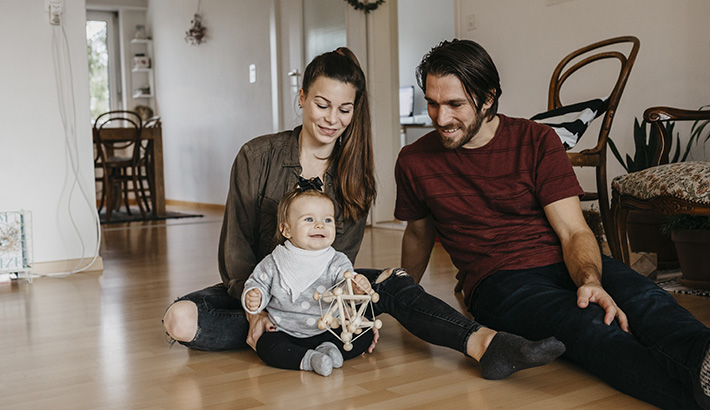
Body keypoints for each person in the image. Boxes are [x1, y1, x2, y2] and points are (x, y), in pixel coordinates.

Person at [163, 46, 565, 381]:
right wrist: (258, 311)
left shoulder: (357, 176)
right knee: (180, 320)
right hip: (261, 291)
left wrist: (351, 310)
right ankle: (287, 334)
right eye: (321, 104)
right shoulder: (256, 156)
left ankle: (485, 344)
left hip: (324, 297)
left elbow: (342, 264)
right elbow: (235, 254)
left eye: (344, 109)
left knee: (393, 282)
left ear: (355, 111)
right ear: (302, 98)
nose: (331, 119)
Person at [394, 38, 710, 409]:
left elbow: (573, 230)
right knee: (586, 326)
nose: (440, 118)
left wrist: (590, 281)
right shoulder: (414, 161)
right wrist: (406, 299)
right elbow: (418, 233)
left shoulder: (535, 139)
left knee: (648, 300)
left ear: (488, 97)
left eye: (454, 104)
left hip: (562, 259)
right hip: (498, 282)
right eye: (432, 103)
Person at [242, 187, 374, 377]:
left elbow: (345, 289)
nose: (320, 225)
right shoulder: (274, 262)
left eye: (327, 220)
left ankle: (329, 349)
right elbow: (257, 284)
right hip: (286, 331)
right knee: (266, 346)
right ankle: (309, 359)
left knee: (365, 333)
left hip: (331, 329)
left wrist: (357, 287)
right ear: (286, 229)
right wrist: (255, 296)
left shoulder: (337, 261)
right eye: (309, 219)